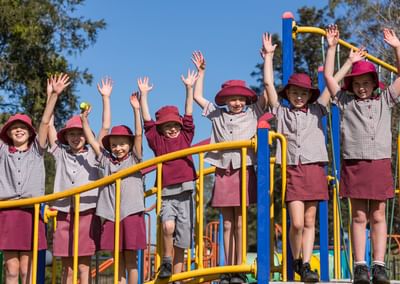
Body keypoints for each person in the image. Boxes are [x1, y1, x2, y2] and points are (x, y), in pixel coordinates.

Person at [324, 25, 400, 284]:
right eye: (357, 84)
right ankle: (360, 265)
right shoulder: (345, 102)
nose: (362, 88)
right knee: (358, 215)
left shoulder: (385, 100)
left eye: (366, 83)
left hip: (378, 161)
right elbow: (328, 78)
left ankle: (379, 265)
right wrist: (333, 49)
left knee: (378, 214)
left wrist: (397, 48)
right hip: (354, 162)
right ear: (352, 86)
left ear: (374, 84)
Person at [192, 51, 267, 284]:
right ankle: (227, 269)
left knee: (240, 222)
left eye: (240, 99)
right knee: (226, 222)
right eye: (232, 99)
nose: (236, 103)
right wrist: (201, 72)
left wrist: (267, 60)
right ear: (225, 101)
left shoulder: (255, 112)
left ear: (246, 100)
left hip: (244, 169)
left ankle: (239, 269)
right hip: (224, 170)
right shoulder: (217, 115)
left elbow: (267, 90)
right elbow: (197, 97)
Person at [0, 73, 69, 284]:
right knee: (11, 268)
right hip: (8, 211)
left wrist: (54, 96)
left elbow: (45, 121)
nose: (18, 130)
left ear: (30, 133)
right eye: (14, 128)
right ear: (9, 133)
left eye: (23, 127)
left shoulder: (37, 151)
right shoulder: (3, 151)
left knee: (27, 268)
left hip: (31, 212)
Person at [47, 77, 113, 283]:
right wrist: (52, 95)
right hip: (65, 212)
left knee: (83, 265)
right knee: (67, 266)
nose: (76, 137)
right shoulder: (60, 153)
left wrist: (105, 98)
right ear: (65, 137)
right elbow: (48, 123)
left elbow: (105, 127)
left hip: (87, 210)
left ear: (86, 135)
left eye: (80, 133)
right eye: (71, 134)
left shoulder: (94, 154)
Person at [80, 81, 146, 284]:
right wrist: (84, 121)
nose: (118, 148)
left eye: (122, 144)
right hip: (111, 213)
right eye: (114, 144)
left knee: (130, 259)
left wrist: (136, 110)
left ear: (129, 145)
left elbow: (138, 135)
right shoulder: (106, 159)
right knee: (116, 257)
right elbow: (92, 141)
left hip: (131, 212)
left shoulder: (134, 158)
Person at [139, 72, 198, 280]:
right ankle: (165, 261)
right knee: (167, 226)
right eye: (167, 126)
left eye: (174, 125)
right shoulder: (158, 142)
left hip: (187, 189)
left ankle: (177, 276)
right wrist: (144, 96)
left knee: (182, 239)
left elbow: (189, 116)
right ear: (161, 129)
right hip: (166, 191)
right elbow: (147, 123)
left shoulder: (185, 136)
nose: (172, 129)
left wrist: (189, 89)